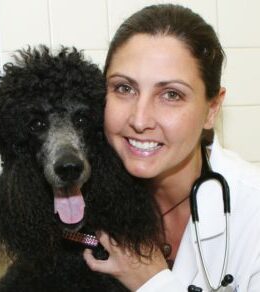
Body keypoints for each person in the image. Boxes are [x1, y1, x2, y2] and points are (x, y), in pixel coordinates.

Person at [83, 4, 260, 291]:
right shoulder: (81, 200)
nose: (139, 120)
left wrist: (153, 282)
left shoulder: (253, 214)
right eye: (124, 88)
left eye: (171, 94)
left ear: (212, 109)